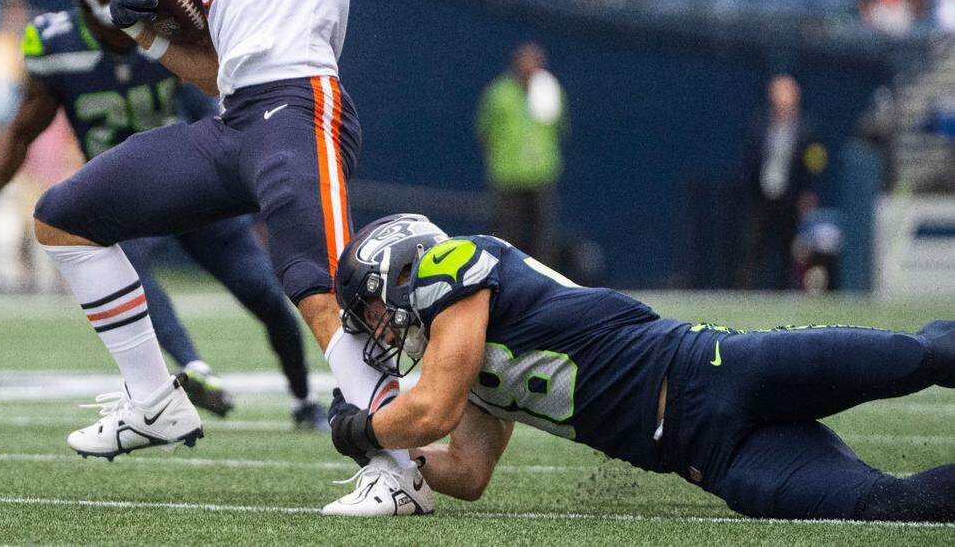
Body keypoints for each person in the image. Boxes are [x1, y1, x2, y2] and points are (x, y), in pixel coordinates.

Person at [29, 0, 607, 517]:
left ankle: (398, 470)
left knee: (319, 288)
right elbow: (220, 70)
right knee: (66, 216)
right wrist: (150, 36)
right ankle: (154, 397)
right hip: (238, 115)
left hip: (299, 103)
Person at [0, 0, 327, 428]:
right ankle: (193, 368)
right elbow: (21, 130)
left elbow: (217, 107)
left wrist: (250, 189)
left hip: (188, 179)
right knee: (127, 273)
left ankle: (303, 400)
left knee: (265, 295)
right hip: (119, 194)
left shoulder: (172, 32)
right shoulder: (55, 44)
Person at [327, 213, 955, 522]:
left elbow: (431, 409)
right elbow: (466, 472)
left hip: (716, 367)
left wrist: (361, 430)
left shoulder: (453, 264)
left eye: (374, 307)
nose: (380, 327)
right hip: (710, 456)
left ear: (405, 268)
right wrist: (391, 459)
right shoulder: (463, 363)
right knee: (888, 507)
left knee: (919, 356)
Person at [476, 43, 567, 264]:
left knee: (542, 235)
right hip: (508, 174)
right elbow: (485, 130)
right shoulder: (499, 93)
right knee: (508, 232)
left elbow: (559, 127)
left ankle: (543, 283)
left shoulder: (550, 92)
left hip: (541, 174)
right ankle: (506, 279)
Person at [738, 74, 826, 290]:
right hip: (762, 195)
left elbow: (815, 163)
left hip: (791, 197)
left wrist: (808, 193)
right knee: (752, 247)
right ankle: (745, 291)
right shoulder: (760, 124)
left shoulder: (807, 129)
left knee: (789, 248)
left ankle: (786, 291)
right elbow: (751, 159)